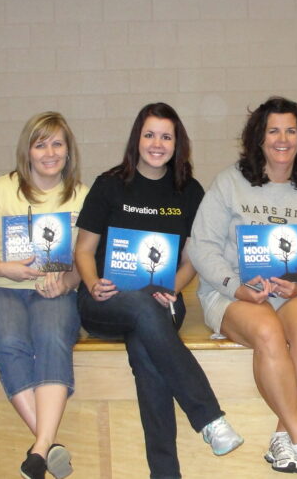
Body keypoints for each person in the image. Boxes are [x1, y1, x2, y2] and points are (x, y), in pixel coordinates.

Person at [74, 102, 243, 479]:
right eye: (149, 134)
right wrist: (92, 283)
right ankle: (209, 418)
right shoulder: (109, 184)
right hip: (105, 301)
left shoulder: (189, 191)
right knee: (143, 311)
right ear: (137, 138)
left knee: (146, 350)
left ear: (177, 144)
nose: (157, 143)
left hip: (164, 299)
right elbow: (83, 250)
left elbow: (194, 256)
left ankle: (165, 474)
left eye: (166, 137)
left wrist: (174, 286)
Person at [188, 96, 297, 479]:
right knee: (268, 330)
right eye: (273, 130)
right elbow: (202, 247)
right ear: (259, 137)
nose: (282, 139)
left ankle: (281, 438)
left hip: (290, 293)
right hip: (232, 295)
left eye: (290, 131)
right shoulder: (229, 183)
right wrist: (235, 286)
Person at [0, 112, 87, 479]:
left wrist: (67, 282)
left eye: (57, 144)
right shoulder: (1, 190)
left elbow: (88, 258)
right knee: (9, 339)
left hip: (54, 292)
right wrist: (1, 267)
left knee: (52, 335)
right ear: (27, 151)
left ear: (68, 150)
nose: (49, 153)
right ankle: (47, 445)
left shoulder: (83, 197)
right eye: (40, 145)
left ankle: (40, 449)